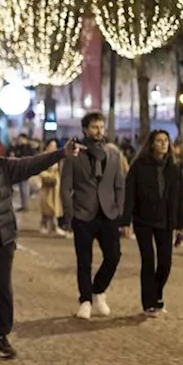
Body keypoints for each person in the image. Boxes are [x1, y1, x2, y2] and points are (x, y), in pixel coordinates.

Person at [0, 131, 77, 357]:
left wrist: (61, 153)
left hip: (0, 241)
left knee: (1, 289)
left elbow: (32, 164)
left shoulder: (2, 167)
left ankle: (1, 336)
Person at [60, 112, 127, 320]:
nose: (98, 131)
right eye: (94, 127)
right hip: (83, 214)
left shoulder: (113, 154)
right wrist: (70, 214)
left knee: (114, 256)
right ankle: (85, 301)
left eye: (101, 127)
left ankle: (98, 290)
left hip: (107, 214)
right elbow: (65, 187)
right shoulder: (74, 155)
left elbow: (119, 184)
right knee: (84, 261)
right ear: (85, 130)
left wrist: (119, 211)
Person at [121, 130, 183, 316]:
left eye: (166, 140)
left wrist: (182, 225)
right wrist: (125, 221)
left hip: (166, 220)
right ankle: (148, 302)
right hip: (143, 219)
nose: (163, 143)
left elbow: (180, 199)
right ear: (151, 144)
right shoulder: (139, 166)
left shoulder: (174, 169)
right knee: (148, 259)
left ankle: (156, 293)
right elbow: (129, 195)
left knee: (165, 262)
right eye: (159, 141)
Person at [37, 140, 65, 236]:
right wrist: (48, 177)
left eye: (55, 146)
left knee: (54, 208)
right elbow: (40, 171)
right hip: (46, 187)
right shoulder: (43, 158)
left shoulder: (57, 158)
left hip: (55, 187)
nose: (53, 147)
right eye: (51, 145)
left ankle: (54, 227)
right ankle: (44, 225)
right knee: (47, 207)